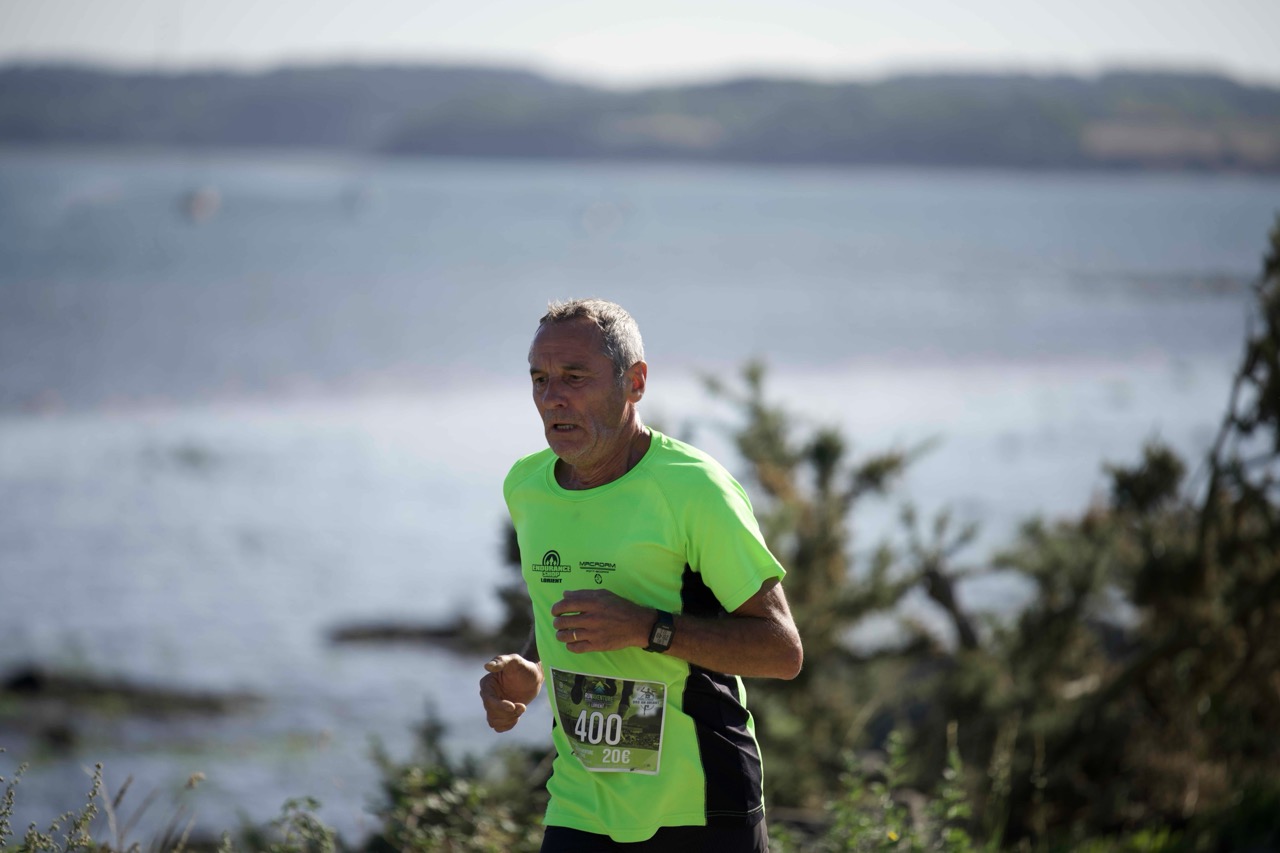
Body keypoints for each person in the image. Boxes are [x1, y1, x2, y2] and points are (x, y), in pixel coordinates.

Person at [479, 298, 803, 852]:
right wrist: (533, 666)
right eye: (539, 379)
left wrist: (647, 629)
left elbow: (782, 650)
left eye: (575, 377)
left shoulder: (694, 489)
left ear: (634, 382)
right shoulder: (526, 486)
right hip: (580, 804)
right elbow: (554, 597)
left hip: (701, 805)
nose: (552, 397)